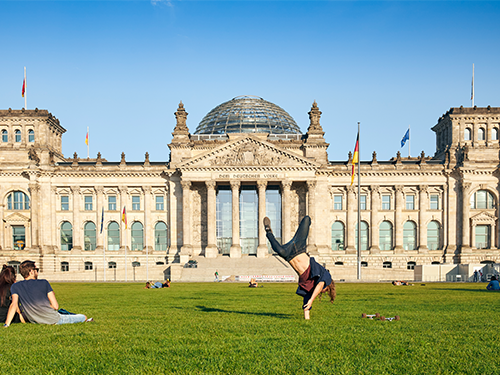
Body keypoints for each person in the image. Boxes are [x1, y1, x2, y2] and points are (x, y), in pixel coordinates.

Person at [264, 216, 336, 320]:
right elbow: (320, 285)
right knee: (306, 219)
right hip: (299, 248)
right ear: (329, 286)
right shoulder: (326, 276)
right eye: (325, 291)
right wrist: (312, 299)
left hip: (288, 254)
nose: (321, 291)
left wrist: (307, 319)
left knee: (278, 249)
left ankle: (268, 231)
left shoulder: (309, 289)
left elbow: (306, 306)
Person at [3, 260, 91, 327]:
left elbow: (14, 305)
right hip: (53, 319)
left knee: (62, 313)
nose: (37, 272)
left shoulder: (15, 286)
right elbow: (55, 306)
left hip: (34, 319)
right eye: (36, 269)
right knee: (83, 317)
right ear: (31, 272)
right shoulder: (44, 282)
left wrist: (6, 324)